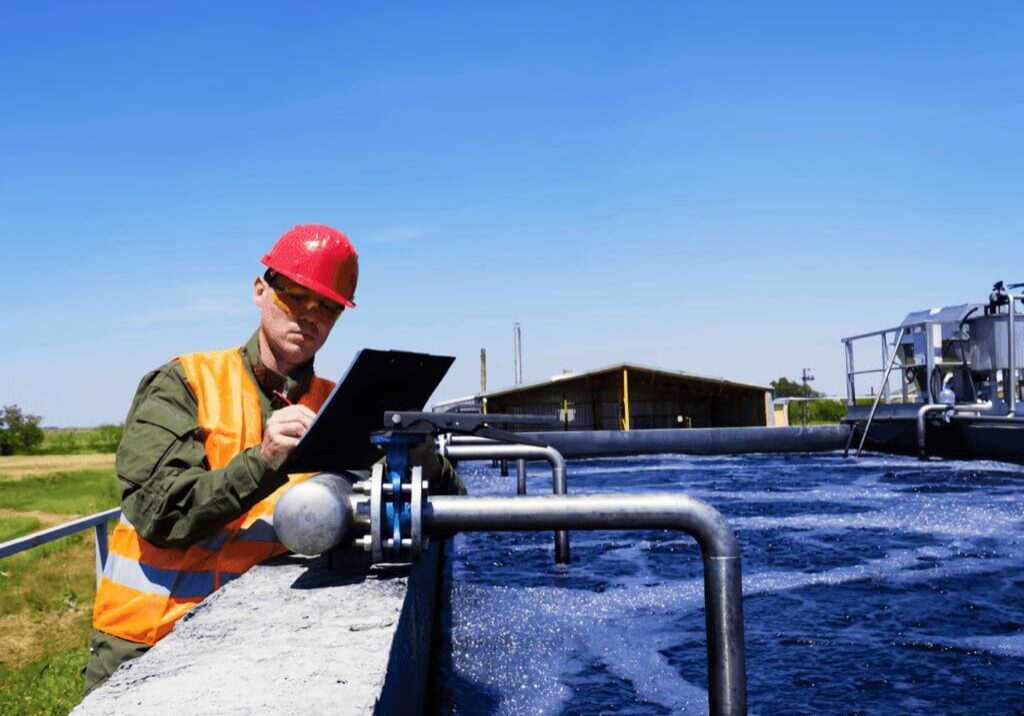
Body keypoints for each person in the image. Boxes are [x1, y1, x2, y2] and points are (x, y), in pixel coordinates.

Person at [83, 224, 456, 695]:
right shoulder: (184, 383)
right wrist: (263, 460)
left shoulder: (336, 407)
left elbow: (447, 503)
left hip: (260, 643)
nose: (309, 316)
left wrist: (413, 447)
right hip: (151, 643)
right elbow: (159, 512)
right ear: (261, 290)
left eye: (328, 307)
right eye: (295, 297)